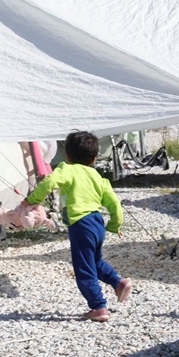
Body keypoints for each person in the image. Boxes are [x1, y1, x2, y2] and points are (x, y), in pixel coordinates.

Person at [22, 131, 132, 322]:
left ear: (68, 155)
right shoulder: (97, 176)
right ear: (95, 157)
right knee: (95, 261)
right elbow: (114, 201)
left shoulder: (66, 169)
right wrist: (114, 224)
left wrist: (31, 200)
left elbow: (49, 182)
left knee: (83, 267)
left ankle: (98, 307)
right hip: (97, 222)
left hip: (80, 224)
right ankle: (119, 283)